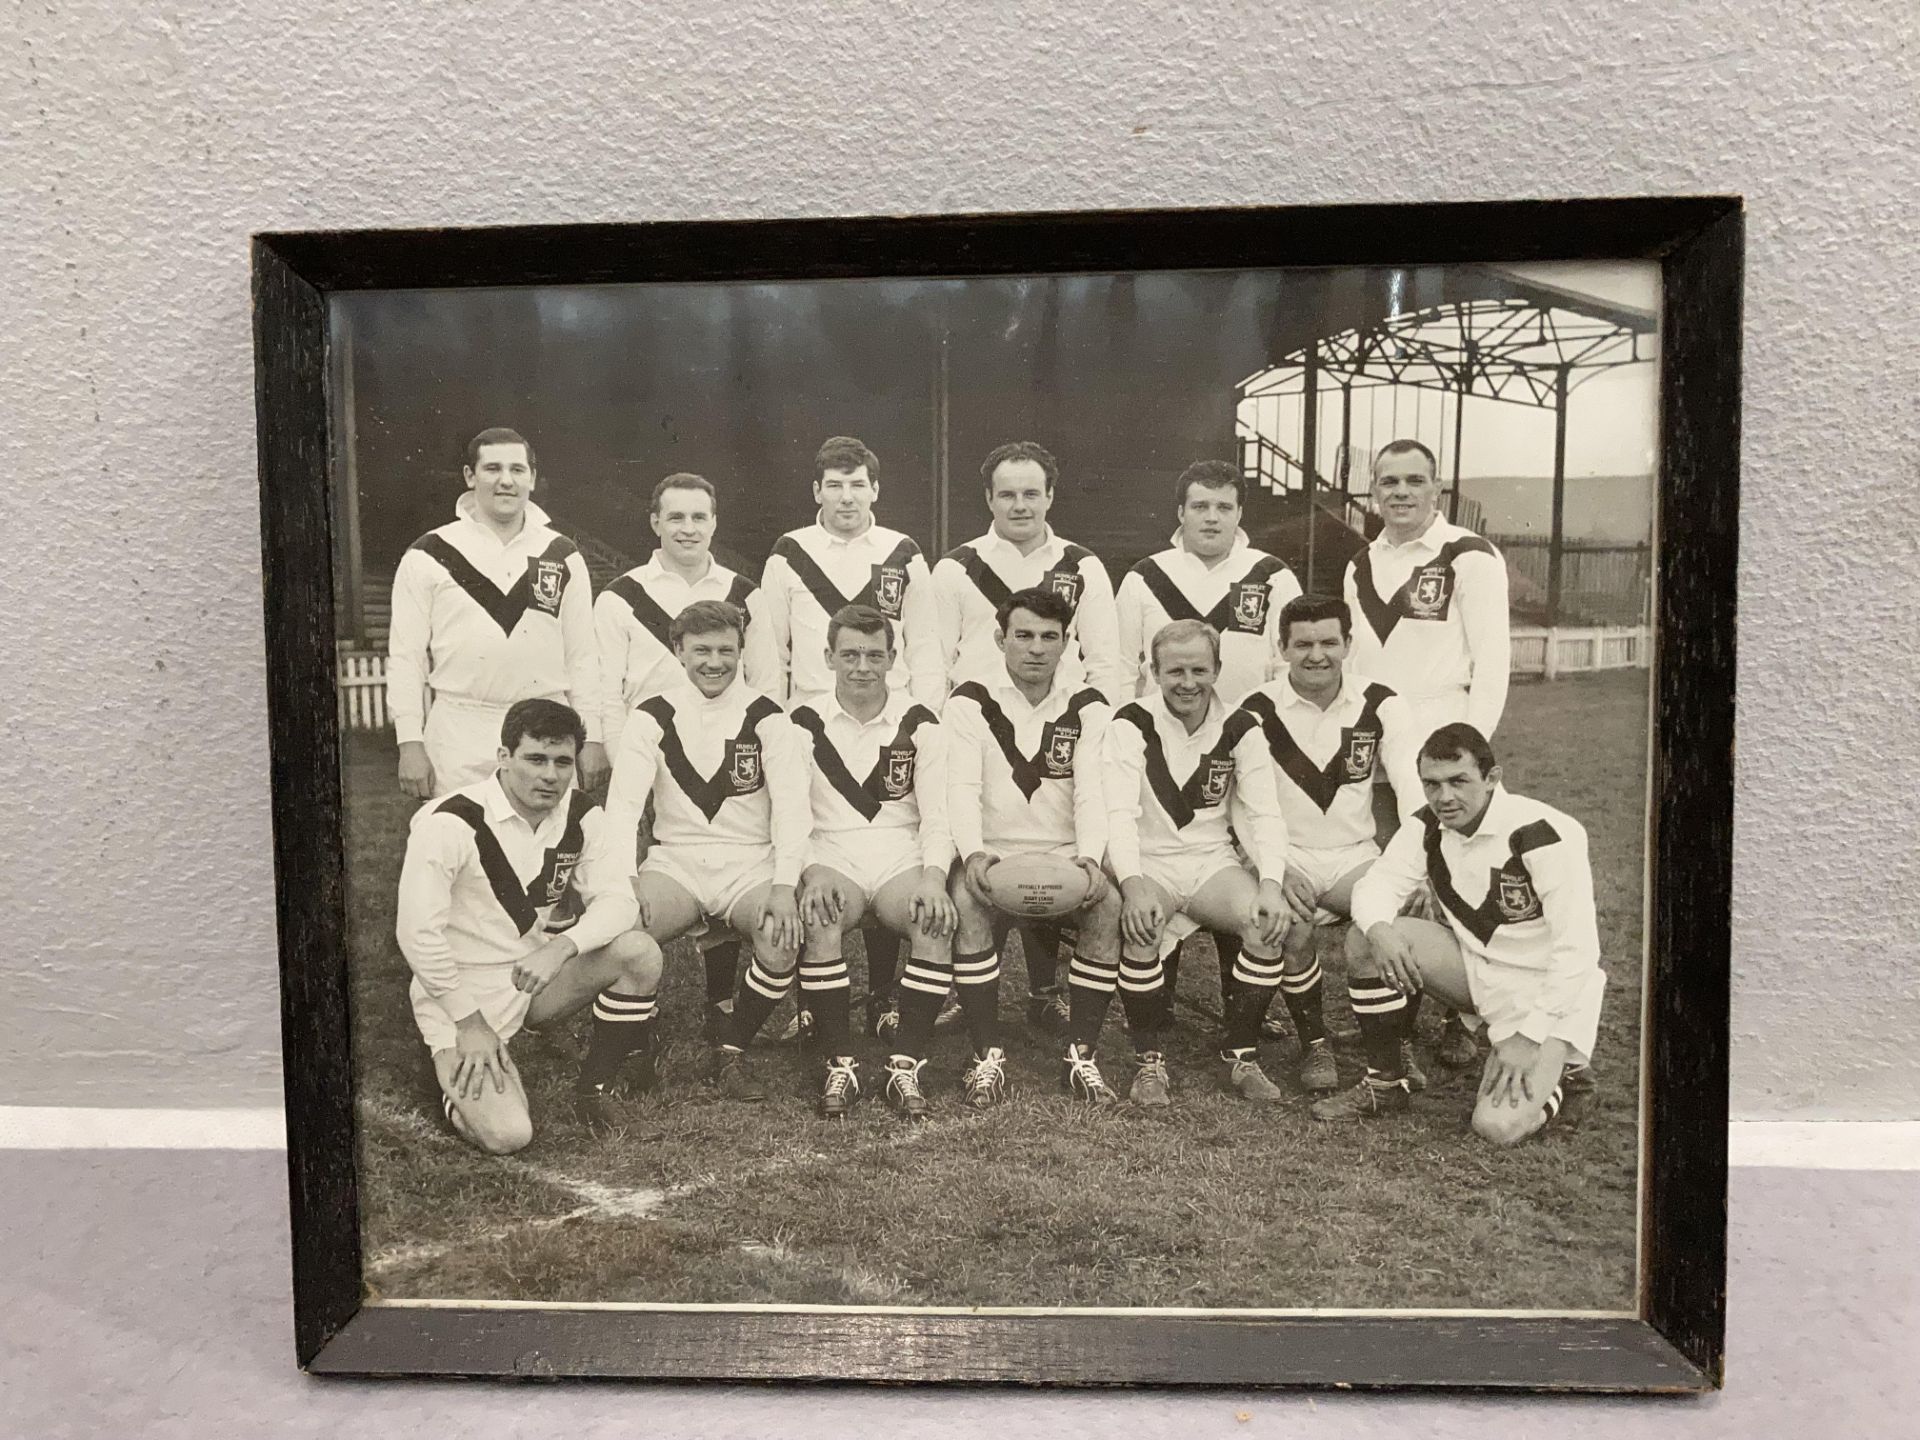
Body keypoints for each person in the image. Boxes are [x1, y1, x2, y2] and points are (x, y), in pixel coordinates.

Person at [1316, 723, 1604, 1142]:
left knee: (1497, 1127)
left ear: (1492, 779)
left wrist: (1528, 1037)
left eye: (1458, 781)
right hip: (1478, 972)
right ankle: (1386, 1083)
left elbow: (1578, 951)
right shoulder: (1427, 825)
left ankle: (1570, 1080)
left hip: (1548, 994)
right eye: (1431, 784)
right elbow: (1375, 886)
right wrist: (1380, 929)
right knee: (1364, 938)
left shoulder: (1545, 833)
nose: (1444, 797)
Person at [394, 698, 657, 1152]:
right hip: (458, 991)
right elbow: (416, 934)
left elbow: (618, 900)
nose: (550, 775)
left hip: (530, 975)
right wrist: (468, 1023)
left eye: (562, 762)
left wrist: (561, 948)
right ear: (503, 758)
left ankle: (593, 1089)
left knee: (639, 952)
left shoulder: (581, 814)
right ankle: (442, 1068)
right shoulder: (448, 821)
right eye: (535, 759)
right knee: (509, 1135)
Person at [932, 440, 1126, 1032]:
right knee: (976, 866)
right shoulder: (956, 567)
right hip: (980, 729)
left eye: (1031, 493)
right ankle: (964, 992)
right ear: (988, 497)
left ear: (1050, 496)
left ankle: (1046, 992)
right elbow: (934, 660)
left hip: (1058, 723)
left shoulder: (1082, 565)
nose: (1020, 504)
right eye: (1007, 493)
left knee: (1050, 845)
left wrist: (1102, 732)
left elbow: (1105, 660)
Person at [1342, 438, 1511, 1067]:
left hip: (1447, 737)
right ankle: (1395, 1016)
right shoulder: (1360, 564)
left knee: (1459, 882)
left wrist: (1471, 760)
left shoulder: (1471, 556)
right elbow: (1358, 665)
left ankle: (1462, 1019)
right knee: (1399, 876)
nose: (1401, 492)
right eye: (1389, 482)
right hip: (1383, 740)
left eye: (1415, 480)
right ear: (1374, 491)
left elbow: (1493, 667)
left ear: (1437, 489)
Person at [1113, 458, 1302, 1012]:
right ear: (1180, 512)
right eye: (1200, 506)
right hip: (1161, 744)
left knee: (1237, 867)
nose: (1212, 518)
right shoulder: (1147, 575)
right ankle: (1158, 1003)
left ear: (1241, 512)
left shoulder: (1271, 574)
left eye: (1224, 507)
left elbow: (1284, 667)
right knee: (1167, 849)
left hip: (1245, 746)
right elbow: (1125, 667)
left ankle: (1238, 1005)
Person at [602, 600, 810, 1103]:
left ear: (741, 651)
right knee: (621, 928)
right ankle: (637, 1044)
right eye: (700, 650)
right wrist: (619, 878)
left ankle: (731, 1046)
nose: (714, 662)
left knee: (782, 938)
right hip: (678, 861)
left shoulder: (768, 715)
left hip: (749, 861)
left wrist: (784, 885)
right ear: (677, 651)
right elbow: (624, 804)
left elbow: (791, 808)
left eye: (726, 650)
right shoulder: (652, 714)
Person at [593, 472, 773, 1034]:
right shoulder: (621, 594)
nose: (688, 528)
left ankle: (721, 1003)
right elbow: (605, 685)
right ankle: (635, 1014)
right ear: (655, 522)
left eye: (699, 517)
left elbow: (765, 680)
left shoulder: (746, 592)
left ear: (714, 522)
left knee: (722, 854)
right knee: (643, 889)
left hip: (726, 745)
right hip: (647, 749)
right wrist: (617, 755)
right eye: (676, 517)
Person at [1232, 594, 1423, 1094]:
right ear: (1283, 648)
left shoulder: (1381, 702)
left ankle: (1398, 1039)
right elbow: (1238, 803)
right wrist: (1270, 871)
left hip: (1354, 857)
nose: (1316, 655)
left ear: (1348, 645)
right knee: (1287, 924)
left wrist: (1419, 867)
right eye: (1303, 644)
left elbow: (1410, 786)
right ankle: (1314, 1044)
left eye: (1328, 643)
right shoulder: (1254, 709)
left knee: (1402, 915)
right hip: (1286, 855)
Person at [943, 586, 1124, 1107]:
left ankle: (1081, 1053)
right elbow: (961, 789)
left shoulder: (1088, 705)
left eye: (1050, 637)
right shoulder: (969, 700)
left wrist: (1089, 857)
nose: (1037, 648)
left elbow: (1092, 792)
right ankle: (985, 1054)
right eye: (1023, 636)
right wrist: (973, 852)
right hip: (994, 851)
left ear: (1067, 643)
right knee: (968, 904)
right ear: (1001, 638)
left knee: (1108, 905)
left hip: (1063, 852)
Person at [1103, 620, 1293, 1107]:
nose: (1188, 682)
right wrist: (1134, 884)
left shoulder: (1241, 727)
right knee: (1142, 927)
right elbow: (1119, 814)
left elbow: (1263, 811)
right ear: (1153, 672)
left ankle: (1241, 1054)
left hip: (1211, 862)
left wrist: (1270, 882)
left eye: (1199, 670)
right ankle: (1149, 1063)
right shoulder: (1130, 722)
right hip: (1150, 861)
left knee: (1263, 923)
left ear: (1218, 670)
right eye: (1175, 671)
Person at [790, 605, 957, 1120]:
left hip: (897, 855)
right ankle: (840, 1060)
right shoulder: (800, 722)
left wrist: (933, 877)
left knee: (933, 919)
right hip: (830, 854)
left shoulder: (919, 723)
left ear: (892, 659)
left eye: (874, 655)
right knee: (819, 915)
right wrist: (811, 870)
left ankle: (903, 1062)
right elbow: (791, 817)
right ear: (828, 657)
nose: (862, 666)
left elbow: (936, 816)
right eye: (850, 655)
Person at [387, 427, 606, 799]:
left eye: (518, 470)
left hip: (545, 729)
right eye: (492, 469)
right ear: (470, 476)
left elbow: (582, 656)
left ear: (533, 479)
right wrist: (409, 741)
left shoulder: (562, 553)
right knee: (459, 848)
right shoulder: (428, 553)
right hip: (460, 729)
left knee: (545, 850)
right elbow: (406, 657)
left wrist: (594, 737)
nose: (506, 481)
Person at [760, 436, 943, 709]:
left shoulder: (903, 552)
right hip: (811, 716)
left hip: (891, 717)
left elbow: (924, 648)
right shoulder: (788, 553)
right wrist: (771, 722)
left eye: (857, 485)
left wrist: (925, 719)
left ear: (875, 490)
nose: (846, 498)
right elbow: (771, 653)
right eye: (834, 486)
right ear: (817, 491)